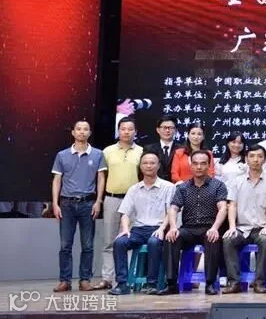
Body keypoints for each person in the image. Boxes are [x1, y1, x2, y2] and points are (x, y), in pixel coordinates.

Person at [158, 150, 228, 295]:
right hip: (188, 229)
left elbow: (223, 208)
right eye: (195, 163)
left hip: (209, 227)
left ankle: (210, 283)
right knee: (171, 238)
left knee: (213, 238)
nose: (199, 167)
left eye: (203, 163)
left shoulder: (218, 185)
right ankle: (171, 283)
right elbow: (173, 208)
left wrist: (215, 228)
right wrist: (173, 227)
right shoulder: (183, 187)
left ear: (208, 165)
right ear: (191, 165)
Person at [51, 120, 107, 292]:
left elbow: (101, 178)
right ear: (73, 132)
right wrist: (55, 204)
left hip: (88, 203)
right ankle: (65, 281)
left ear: (89, 133)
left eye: (85, 129)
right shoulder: (62, 155)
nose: (82, 132)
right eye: (79, 129)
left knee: (87, 245)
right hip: (66, 203)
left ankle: (85, 280)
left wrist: (98, 201)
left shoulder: (97, 154)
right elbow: (57, 180)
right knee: (65, 245)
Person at [109, 150, 175, 295]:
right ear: (140, 166)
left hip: (158, 228)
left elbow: (171, 211)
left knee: (154, 242)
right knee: (119, 242)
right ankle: (122, 284)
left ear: (158, 166)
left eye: (152, 163)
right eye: (145, 163)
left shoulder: (168, 187)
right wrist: (125, 229)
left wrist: (162, 229)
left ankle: (152, 284)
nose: (148, 166)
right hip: (138, 230)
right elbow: (125, 213)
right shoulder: (134, 189)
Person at [221, 144, 266, 294]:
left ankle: (259, 282)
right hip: (241, 228)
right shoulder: (236, 181)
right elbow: (232, 205)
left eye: (259, 156)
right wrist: (232, 227)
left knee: (265, 240)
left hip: (262, 227)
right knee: (228, 239)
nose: (256, 160)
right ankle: (234, 283)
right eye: (252, 156)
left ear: (264, 159)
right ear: (246, 159)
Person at [96, 117, 143, 290]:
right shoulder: (108, 151)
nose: (126, 132)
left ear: (135, 132)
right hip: (111, 198)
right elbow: (102, 176)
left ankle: (127, 277)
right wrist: (99, 200)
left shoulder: (141, 151)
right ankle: (107, 278)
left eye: (130, 129)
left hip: (133, 200)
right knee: (109, 240)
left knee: (130, 239)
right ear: (118, 131)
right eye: (123, 129)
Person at [141, 115, 178, 182]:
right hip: (155, 185)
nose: (167, 130)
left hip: (176, 185)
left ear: (175, 130)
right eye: (164, 127)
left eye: (170, 128)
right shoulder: (149, 148)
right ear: (158, 130)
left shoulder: (181, 149)